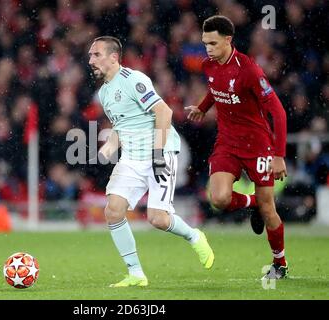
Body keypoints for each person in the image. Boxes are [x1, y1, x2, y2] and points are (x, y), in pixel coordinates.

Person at [88, 36, 214, 287]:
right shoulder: (103, 93)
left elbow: (164, 112)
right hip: (132, 157)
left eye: (96, 55)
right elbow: (121, 126)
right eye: (90, 56)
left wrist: (157, 155)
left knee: (157, 218)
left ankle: (194, 236)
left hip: (160, 151)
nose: (91, 60)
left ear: (114, 57)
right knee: (113, 211)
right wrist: (108, 148)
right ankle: (135, 273)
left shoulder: (133, 80)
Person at [186, 16, 288, 280]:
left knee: (269, 210)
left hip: (258, 146)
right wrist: (203, 107)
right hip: (227, 143)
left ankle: (280, 263)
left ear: (228, 40)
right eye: (204, 43)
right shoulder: (208, 65)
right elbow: (215, 88)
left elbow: (278, 112)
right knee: (218, 199)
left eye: (212, 43)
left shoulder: (249, 70)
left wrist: (278, 155)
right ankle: (251, 202)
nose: (207, 48)